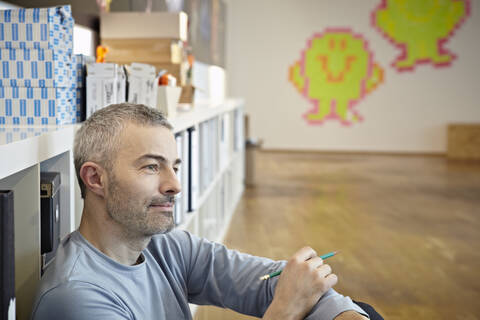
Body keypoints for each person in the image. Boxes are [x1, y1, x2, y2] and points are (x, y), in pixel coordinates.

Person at [31, 103, 374, 320]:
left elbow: (286, 283)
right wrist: (284, 311)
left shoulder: (166, 247)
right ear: (95, 179)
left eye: (174, 167)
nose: (174, 185)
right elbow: (287, 298)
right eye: (152, 167)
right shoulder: (75, 298)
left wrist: (345, 314)